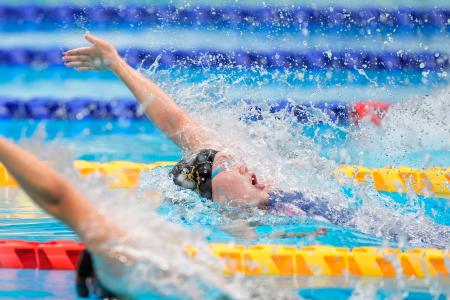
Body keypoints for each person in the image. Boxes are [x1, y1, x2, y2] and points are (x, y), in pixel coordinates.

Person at [62, 34, 341, 221]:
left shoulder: (281, 194)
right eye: (228, 165)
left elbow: (175, 121)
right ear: (210, 195)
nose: (243, 166)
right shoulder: (238, 228)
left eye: (233, 161)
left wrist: (117, 64)